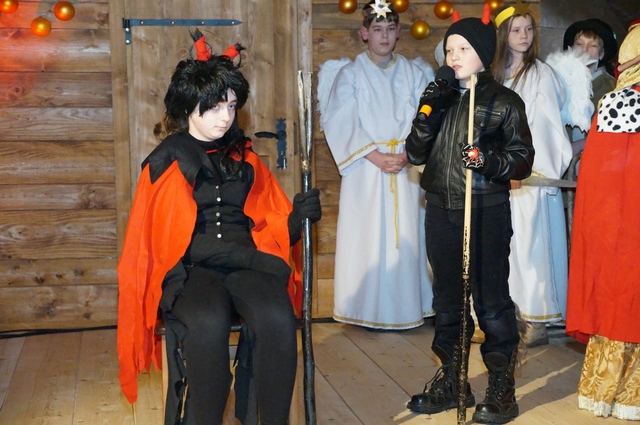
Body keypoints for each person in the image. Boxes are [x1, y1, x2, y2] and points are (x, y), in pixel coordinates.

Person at [115, 33, 322, 425]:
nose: (225, 117)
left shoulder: (246, 159)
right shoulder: (165, 162)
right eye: (213, 106)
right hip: (192, 270)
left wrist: (298, 219)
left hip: (247, 269)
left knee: (277, 318)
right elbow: (167, 242)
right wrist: (252, 258)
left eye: (230, 106)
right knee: (207, 324)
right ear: (187, 107)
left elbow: (270, 227)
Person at [404, 6, 534, 424]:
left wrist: (486, 160)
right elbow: (414, 152)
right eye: (449, 49)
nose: (453, 56)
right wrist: (427, 110)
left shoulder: (504, 102)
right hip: (441, 210)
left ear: (483, 53)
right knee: (446, 301)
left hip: (484, 212)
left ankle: (501, 386)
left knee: (490, 302)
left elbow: (522, 160)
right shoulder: (439, 98)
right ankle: (453, 380)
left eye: (463, 49)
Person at [317, 0, 433, 331]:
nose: (384, 36)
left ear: (398, 33)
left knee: (406, 234)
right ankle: (366, 310)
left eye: (390, 29)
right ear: (364, 33)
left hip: (405, 165)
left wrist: (409, 154)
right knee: (367, 236)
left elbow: (425, 118)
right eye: (377, 29)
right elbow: (341, 119)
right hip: (367, 168)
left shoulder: (413, 74)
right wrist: (375, 155)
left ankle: (409, 308)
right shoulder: (351, 74)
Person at [566, 21, 640, 421]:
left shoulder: (614, 103)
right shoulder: (620, 104)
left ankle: (613, 392)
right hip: (625, 230)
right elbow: (606, 177)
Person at [492, 3, 573, 348]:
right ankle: (498, 316)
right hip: (497, 176)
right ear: (503, 34)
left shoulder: (541, 75)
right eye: (516, 30)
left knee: (531, 248)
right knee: (501, 248)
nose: (524, 36)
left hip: (530, 177)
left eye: (528, 29)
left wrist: (526, 169)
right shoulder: (493, 75)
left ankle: (535, 318)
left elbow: (549, 126)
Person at [563, 18, 618, 155]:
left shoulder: (610, 89)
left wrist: (578, 146)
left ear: (602, 53)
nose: (584, 50)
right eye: (579, 44)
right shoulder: (560, 83)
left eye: (592, 45)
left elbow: (610, 136)